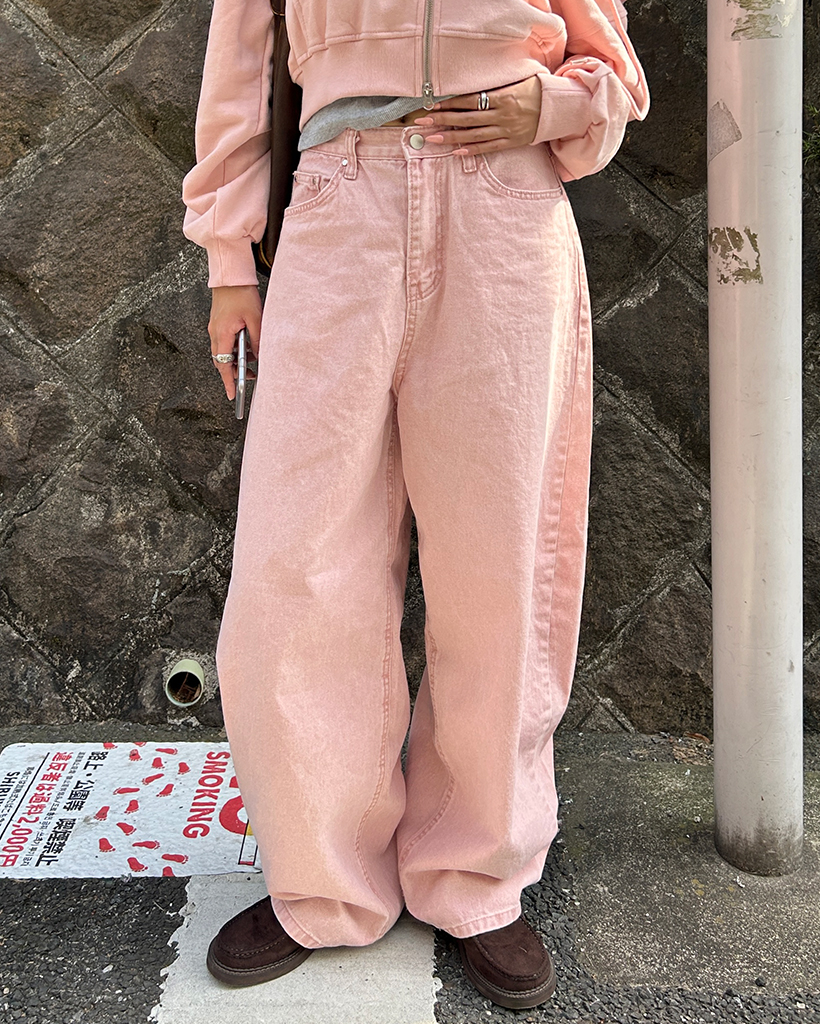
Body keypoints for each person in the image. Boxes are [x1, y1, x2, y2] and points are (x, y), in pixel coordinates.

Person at [181, 0, 649, 1009]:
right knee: (291, 566)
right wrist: (229, 264)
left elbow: (612, 66)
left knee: (502, 562)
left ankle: (476, 873)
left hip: (505, 209)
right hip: (335, 204)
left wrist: (553, 106)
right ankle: (321, 878)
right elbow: (241, 63)